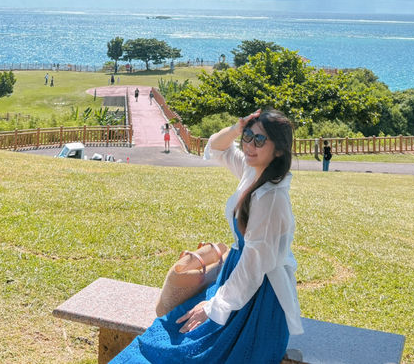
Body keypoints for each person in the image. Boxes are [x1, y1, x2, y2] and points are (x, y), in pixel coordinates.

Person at [107, 108, 303, 363]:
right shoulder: (253, 170)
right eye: (248, 136)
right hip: (237, 283)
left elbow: (254, 269)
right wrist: (237, 127)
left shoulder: (271, 198)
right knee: (173, 333)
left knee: (185, 347)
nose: (249, 145)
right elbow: (217, 147)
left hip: (257, 300)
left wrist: (213, 308)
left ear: (278, 149)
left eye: (260, 140)